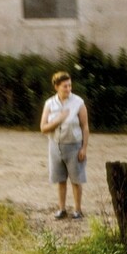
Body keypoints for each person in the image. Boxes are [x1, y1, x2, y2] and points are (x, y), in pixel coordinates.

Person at [40, 70, 90, 219]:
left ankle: (78, 210)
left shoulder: (78, 102)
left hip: (74, 146)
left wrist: (84, 148)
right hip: (55, 145)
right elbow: (43, 128)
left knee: (76, 179)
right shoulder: (49, 103)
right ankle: (61, 209)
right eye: (64, 86)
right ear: (56, 87)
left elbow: (85, 126)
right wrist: (59, 119)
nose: (68, 89)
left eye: (70, 86)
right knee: (60, 179)